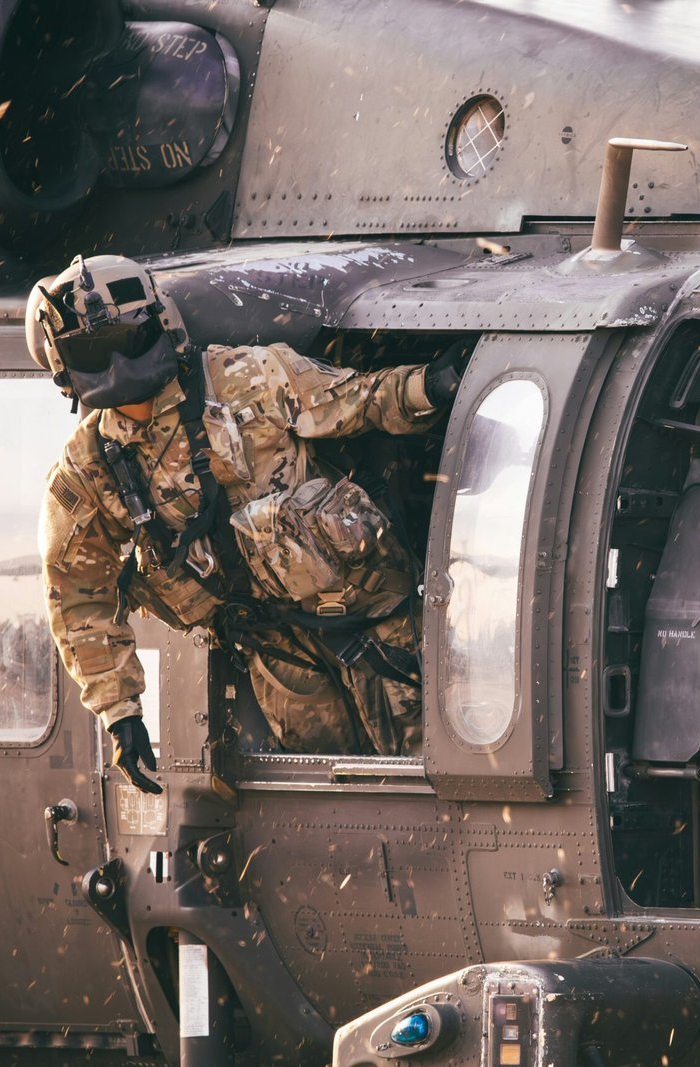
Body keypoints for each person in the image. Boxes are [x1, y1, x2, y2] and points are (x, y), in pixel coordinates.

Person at [31, 254, 466, 793]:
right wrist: (120, 711)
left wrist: (436, 385)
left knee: (433, 770)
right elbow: (77, 595)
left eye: (129, 339)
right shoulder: (90, 467)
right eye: (95, 352)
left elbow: (359, 401)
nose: (118, 363)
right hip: (276, 651)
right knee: (337, 793)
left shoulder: (247, 378)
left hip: (372, 615)